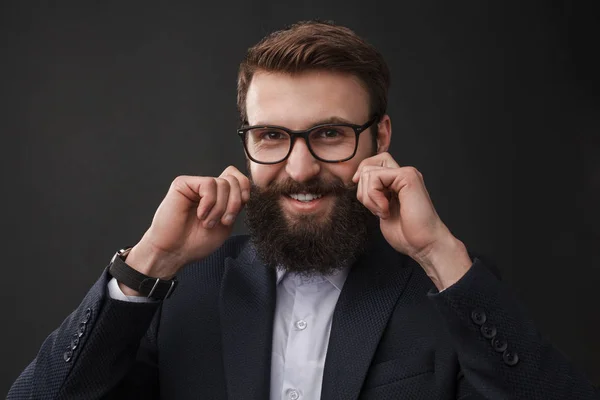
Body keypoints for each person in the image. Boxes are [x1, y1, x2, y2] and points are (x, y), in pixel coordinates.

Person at [7, 20, 598, 400]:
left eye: (330, 134)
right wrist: (149, 262)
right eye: (271, 137)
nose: (299, 168)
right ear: (247, 141)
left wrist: (436, 253)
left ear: (380, 137)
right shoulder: (177, 292)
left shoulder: (451, 286)